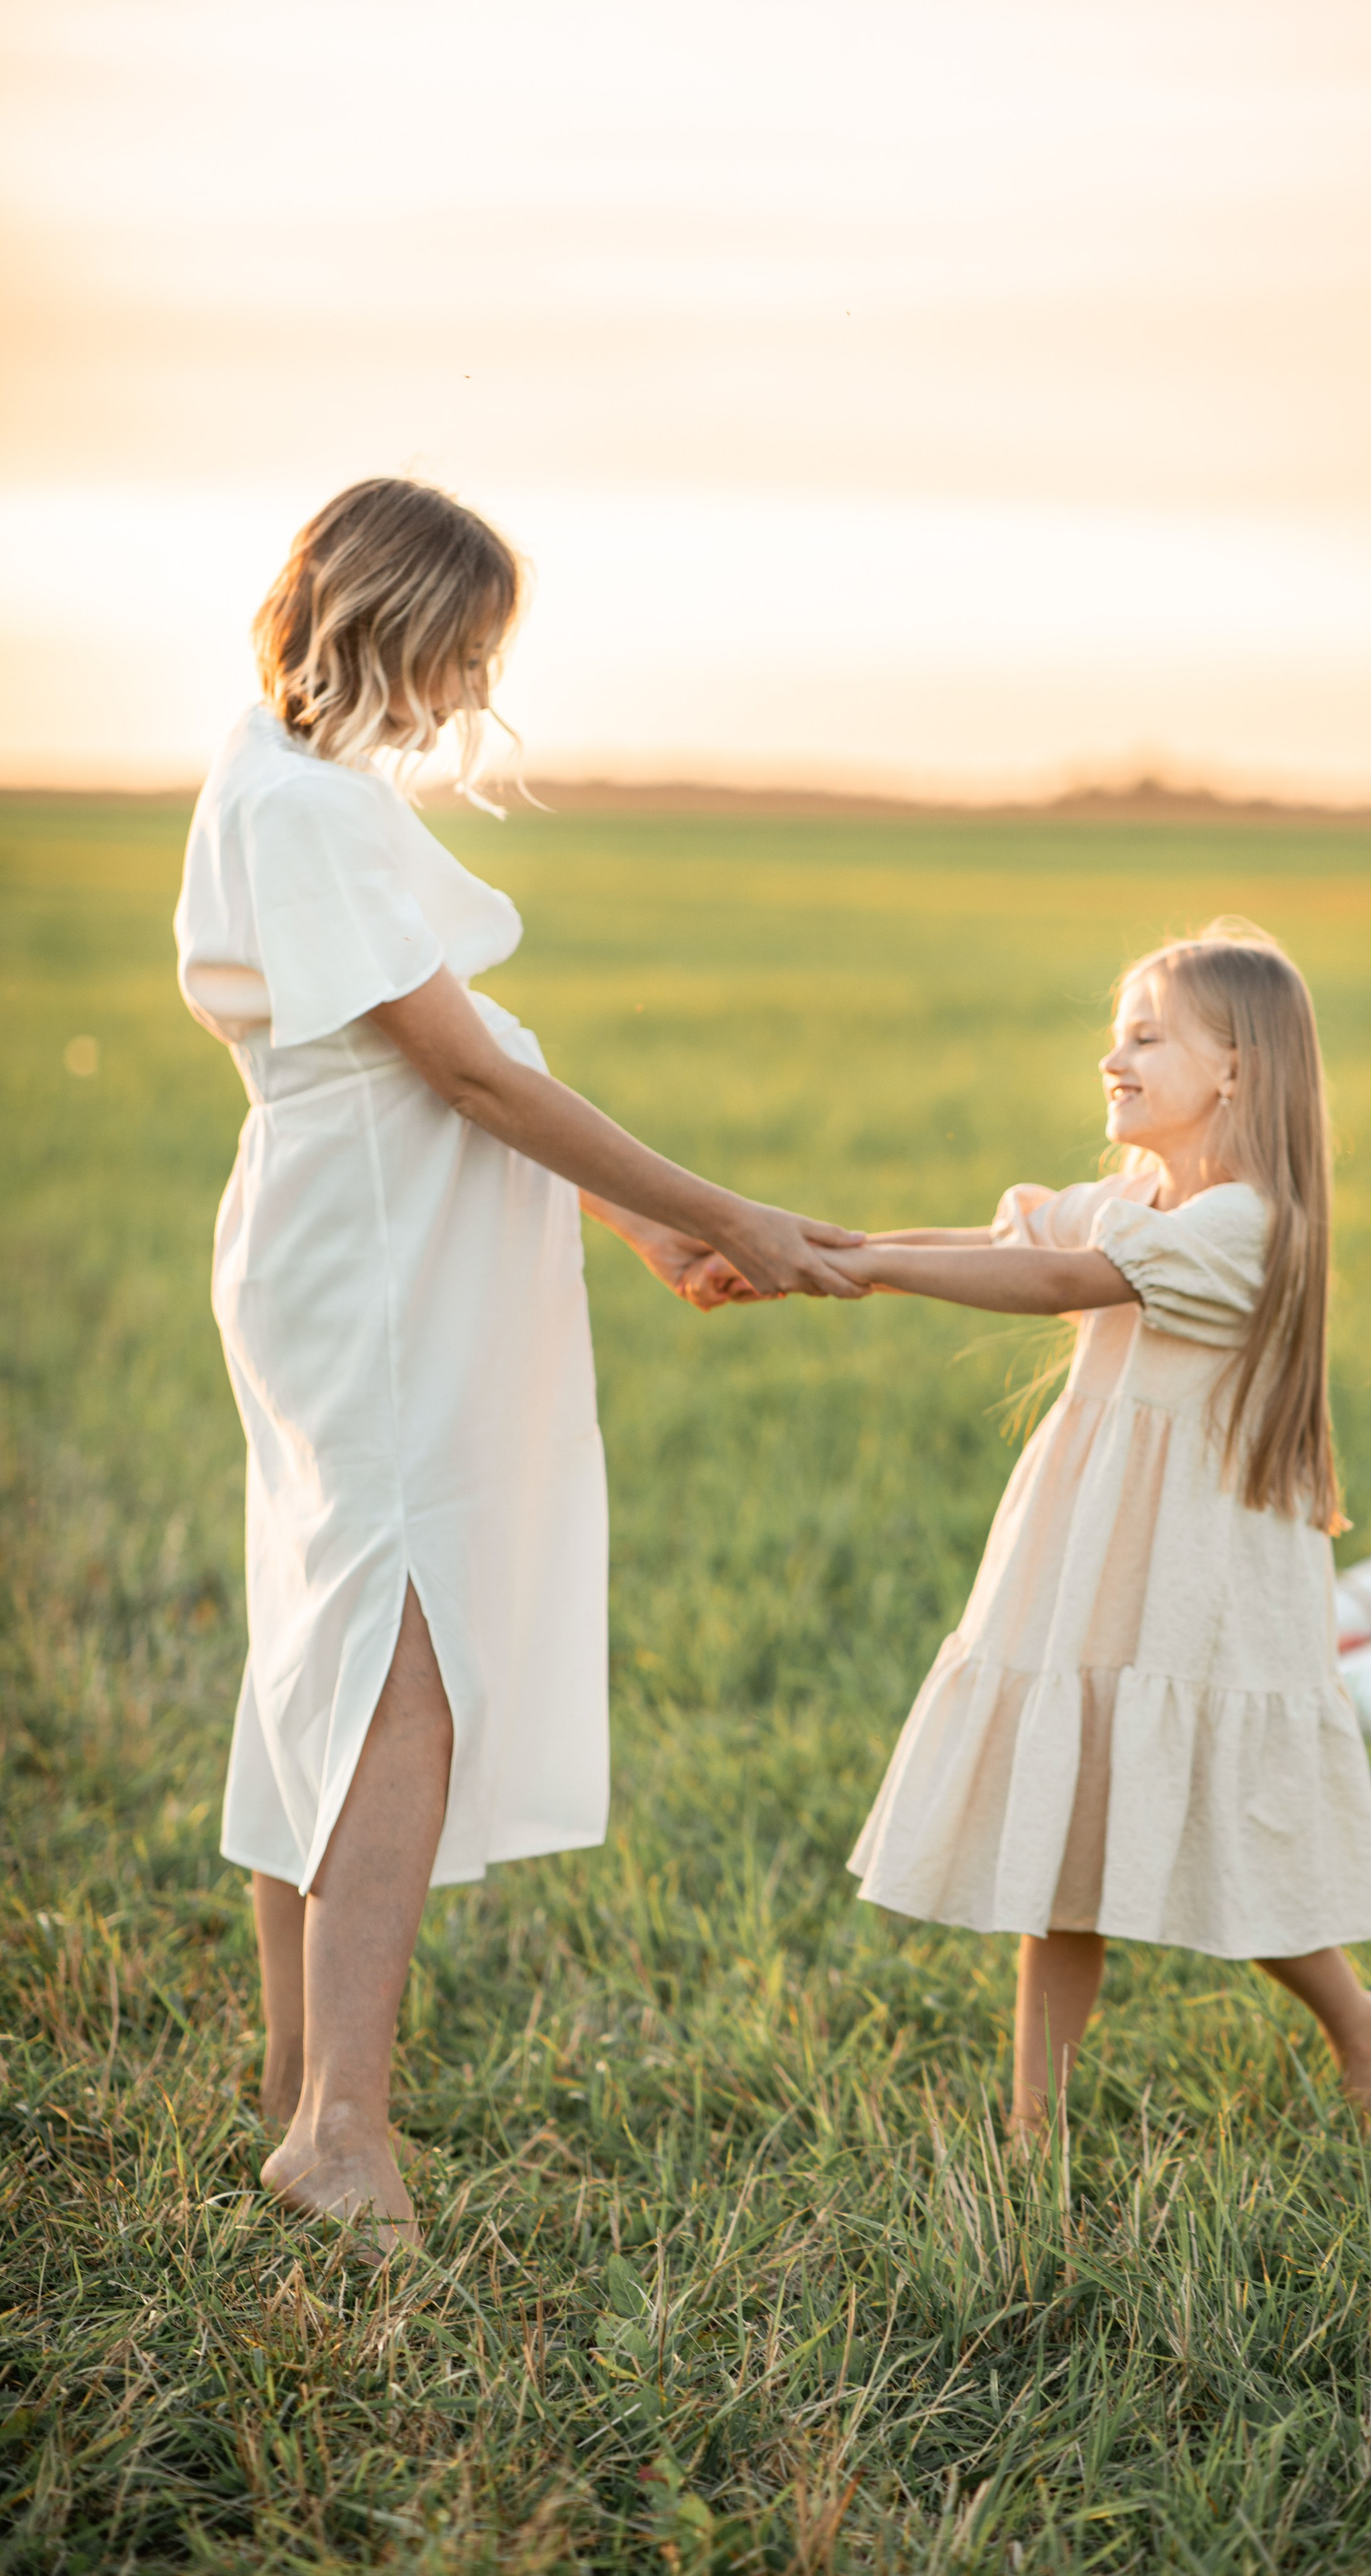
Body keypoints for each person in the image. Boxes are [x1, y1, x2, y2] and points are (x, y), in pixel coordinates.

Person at [173, 477, 858, 2251]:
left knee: (330, 1644)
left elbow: (465, 1054)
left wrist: (638, 1228)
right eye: (467, 652)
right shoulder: (304, 808)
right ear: (391, 623)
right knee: (397, 1664)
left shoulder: (292, 778)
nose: (479, 689)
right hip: (377, 1272)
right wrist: (725, 1208)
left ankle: (298, 2078)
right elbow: (464, 1074)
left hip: (371, 1250)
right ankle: (340, 2126)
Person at [830, 924, 1371, 2135]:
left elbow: (1055, 1283)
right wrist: (822, 1249)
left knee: (1232, 1834)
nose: (1114, 1058)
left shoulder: (1246, 1224)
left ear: (1237, 1068)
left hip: (1201, 1579)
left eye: (1146, 1037)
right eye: (1116, 1035)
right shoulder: (1139, 1200)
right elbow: (1006, 1244)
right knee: (1064, 1823)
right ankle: (1033, 2133)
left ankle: (1359, 2021)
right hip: (1096, 1554)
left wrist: (868, 1270)